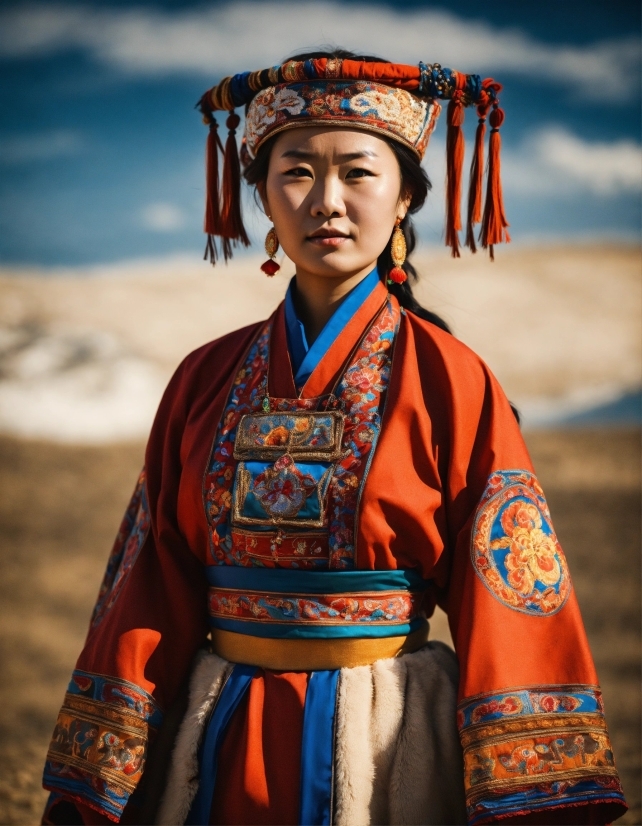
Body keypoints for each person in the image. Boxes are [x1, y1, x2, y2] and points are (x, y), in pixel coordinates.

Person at [42, 49, 627, 826]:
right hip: (218, 729)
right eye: (296, 172)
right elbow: (149, 581)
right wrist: (99, 780)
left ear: (406, 197)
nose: (327, 201)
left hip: (390, 738)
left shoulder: (450, 377)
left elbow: (512, 596)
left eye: (358, 172)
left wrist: (533, 793)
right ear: (259, 196)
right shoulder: (203, 377)